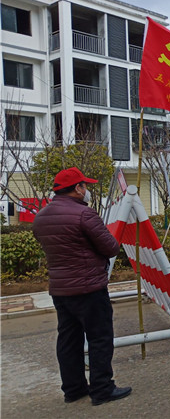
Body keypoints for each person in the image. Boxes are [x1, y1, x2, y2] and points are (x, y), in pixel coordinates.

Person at [32, 167, 131, 406]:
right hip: (89, 288)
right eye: (85, 186)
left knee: (69, 339)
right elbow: (111, 247)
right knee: (99, 338)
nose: (87, 190)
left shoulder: (41, 217)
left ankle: (73, 388)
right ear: (77, 188)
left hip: (60, 289)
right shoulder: (84, 214)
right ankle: (102, 389)